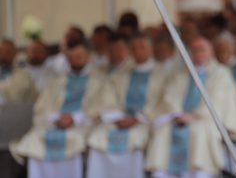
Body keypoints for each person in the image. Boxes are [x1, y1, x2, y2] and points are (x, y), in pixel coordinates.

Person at [12, 38, 117, 178]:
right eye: (71, 58)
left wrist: (75, 118)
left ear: (88, 56)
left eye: (79, 57)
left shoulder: (100, 80)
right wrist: (56, 118)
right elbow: (43, 107)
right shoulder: (57, 81)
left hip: (83, 124)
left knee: (75, 139)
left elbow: (106, 106)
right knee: (35, 138)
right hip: (56, 123)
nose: (75, 61)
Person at [145, 35, 236, 178]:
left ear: (210, 51)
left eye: (201, 49)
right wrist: (177, 113)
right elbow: (170, 96)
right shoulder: (180, 74)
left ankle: (199, 173)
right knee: (163, 130)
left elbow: (218, 101)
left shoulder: (221, 74)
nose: (197, 53)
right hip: (178, 117)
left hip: (206, 120)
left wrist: (193, 116)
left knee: (199, 132)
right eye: (193, 50)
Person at [87, 32, 167, 176]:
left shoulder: (163, 75)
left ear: (150, 49)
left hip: (145, 121)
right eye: (134, 47)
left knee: (136, 137)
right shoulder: (119, 74)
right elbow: (107, 97)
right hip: (119, 120)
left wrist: (138, 118)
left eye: (142, 47)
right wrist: (117, 116)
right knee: (98, 136)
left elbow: (164, 102)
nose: (138, 51)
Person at [0, 38, 37, 105]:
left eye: (7, 52)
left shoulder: (23, 75)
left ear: (14, 54)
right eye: (1, 52)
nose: (3, 55)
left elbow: (16, 97)